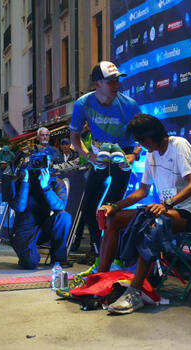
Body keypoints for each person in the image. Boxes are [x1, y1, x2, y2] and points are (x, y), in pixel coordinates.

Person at [97, 114, 191, 314]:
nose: (140, 144)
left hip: (189, 212)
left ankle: (135, 293)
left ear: (151, 135)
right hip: (166, 210)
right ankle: (99, 281)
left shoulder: (179, 145)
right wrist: (115, 206)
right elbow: (142, 192)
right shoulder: (151, 154)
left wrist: (167, 204)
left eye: (140, 140)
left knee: (152, 224)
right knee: (114, 219)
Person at [70, 61, 141, 258]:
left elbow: (141, 136)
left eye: (117, 80)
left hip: (122, 152)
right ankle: (96, 249)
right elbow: (74, 138)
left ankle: (113, 252)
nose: (116, 85)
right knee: (88, 207)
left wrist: (133, 155)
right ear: (97, 84)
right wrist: (89, 157)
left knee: (111, 207)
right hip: (99, 153)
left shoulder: (129, 105)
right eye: (110, 81)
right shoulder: (82, 104)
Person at [8, 150, 72, 269]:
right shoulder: (17, 180)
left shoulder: (55, 182)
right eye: (35, 161)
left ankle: (58, 259)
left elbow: (60, 207)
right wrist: (25, 181)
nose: (38, 164)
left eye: (42, 161)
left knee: (64, 216)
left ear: (49, 163)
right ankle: (25, 255)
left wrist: (45, 186)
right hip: (23, 230)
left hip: (43, 228)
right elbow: (19, 207)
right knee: (30, 263)